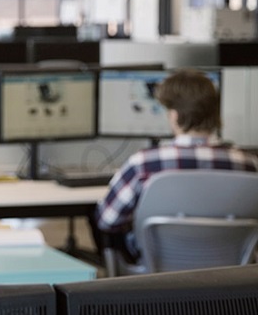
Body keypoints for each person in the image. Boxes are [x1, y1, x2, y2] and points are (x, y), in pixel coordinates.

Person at [94, 68, 258, 261]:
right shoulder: (248, 165)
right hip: (228, 275)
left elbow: (107, 219)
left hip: (158, 276)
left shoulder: (143, 164)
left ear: (174, 115)